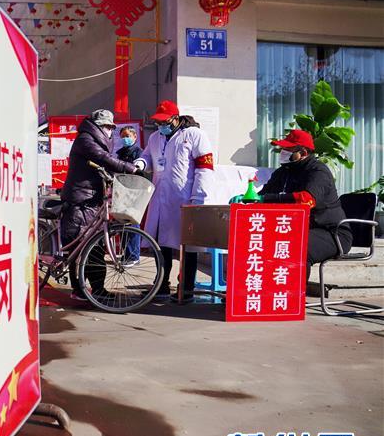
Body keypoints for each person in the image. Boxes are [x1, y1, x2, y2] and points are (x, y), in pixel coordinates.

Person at [234, 129, 351, 278]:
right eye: (283, 148)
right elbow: (261, 196)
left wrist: (265, 199)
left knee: (295, 246)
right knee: (256, 242)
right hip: (295, 229)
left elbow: (306, 200)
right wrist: (247, 200)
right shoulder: (282, 172)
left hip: (332, 233)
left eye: (288, 149)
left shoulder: (318, 171)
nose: (283, 152)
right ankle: (261, 288)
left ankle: (295, 292)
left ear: (303, 152)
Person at [134, 100, 214, 302]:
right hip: (161, 197)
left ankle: (186, 289)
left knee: (187, 246)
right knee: (161, 244)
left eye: (165, 121)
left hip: (185, 198)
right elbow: (147, 157)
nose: (161, 125)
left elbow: (205, 169)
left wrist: (198, 197)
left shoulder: (194, 135)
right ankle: (160, 285)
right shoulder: (155, 137)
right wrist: (140, 163)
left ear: (176, 118)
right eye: (158, 122)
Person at [60, 109, 138, 300]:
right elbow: (102, 158)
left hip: (92, 199)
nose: (109, 131)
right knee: (79, 246)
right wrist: (129, 168)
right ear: (97, 126)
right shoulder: (85, 140)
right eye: (106, 127)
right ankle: (79, 289)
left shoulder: (96, 140)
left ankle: (97, 289)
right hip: (80, 200)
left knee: (94, 246)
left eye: (111, 127)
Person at [116, 126, 143, 265]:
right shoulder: (121, 153)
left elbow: (140, 173)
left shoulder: (139, 153)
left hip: (134, 192)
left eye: (127, 136)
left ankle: (133, 256)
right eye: (122, 136)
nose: (125, 139)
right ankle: (126, 254)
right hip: (122, 191)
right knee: (123, 224)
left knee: (132, 223)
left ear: (134, 136)